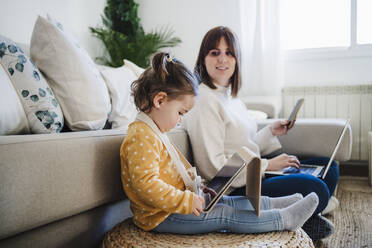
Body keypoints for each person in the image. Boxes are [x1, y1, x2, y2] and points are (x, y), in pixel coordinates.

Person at [120, 52, 319, 234]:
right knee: (225, 215)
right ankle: (283, 218)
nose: (180, 120)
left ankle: (274, 204)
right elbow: (145, 185)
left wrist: (197, 188)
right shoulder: (140, 136)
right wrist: (187, 200)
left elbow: (171, 172)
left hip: (174, 206)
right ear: (160, 101)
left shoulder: (153, 132)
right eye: (180, 113)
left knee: (225, 200)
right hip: (160, 217)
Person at [183, 26, 339, 240]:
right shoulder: (204, 100)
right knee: (317, 188)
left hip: (255, 173)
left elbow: (246, 144)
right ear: (203, 58)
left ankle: (304, 215)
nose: (222, 59)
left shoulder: (231, 97)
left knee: (329, 167)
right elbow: (213, 169)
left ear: (237, 60)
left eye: (229, 53)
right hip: (235, 189)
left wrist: (270, 131)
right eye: (215, 52)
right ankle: (301, 215)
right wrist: (268, 165)